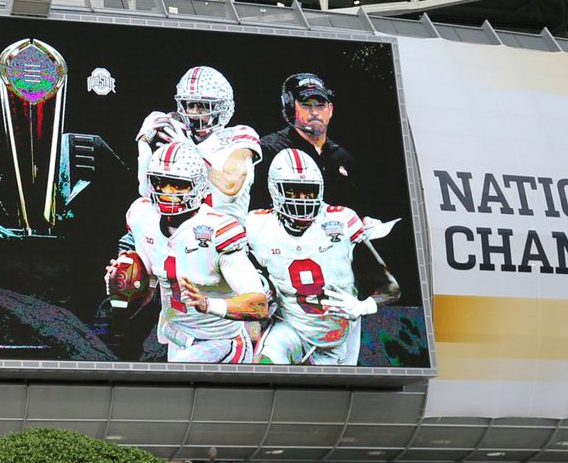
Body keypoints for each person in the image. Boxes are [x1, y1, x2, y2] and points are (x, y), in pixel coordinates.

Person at [104, 142, 267, 363]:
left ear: (198, 186)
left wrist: (209, 305)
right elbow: (148, 288)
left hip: (221, 344)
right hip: (176, 339)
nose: (166, 192)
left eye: (177, 185)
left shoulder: (217, 230)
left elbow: (258, 305)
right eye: (160, 183)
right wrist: (122, 286)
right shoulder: (142, 216)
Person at [247, 148, 401, 365]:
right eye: (293, 190)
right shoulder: (258, 226)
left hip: (337, 338)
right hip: (291, 328)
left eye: (308, 191)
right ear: (275, 189)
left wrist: (361, 306)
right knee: (263, 367)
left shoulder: (342, 222)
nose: (301, 199)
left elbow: (391, 288)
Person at [135, 66, 261, 219]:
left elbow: (230, 187)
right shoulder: (176, 133)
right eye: (190, 105)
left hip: (223, 231)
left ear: (221, 107)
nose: (194, 113)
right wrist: (143, 144)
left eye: (202, 106)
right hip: (181, 229)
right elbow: (146, 193)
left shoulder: (239, 135)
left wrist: (192, 152)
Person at [258, 73, 355, 207]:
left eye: (320, 105)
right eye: (306, 105)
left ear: (330, 110)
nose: (315, 112)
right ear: (291, 108)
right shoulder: (269, 150)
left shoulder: (343, 158)